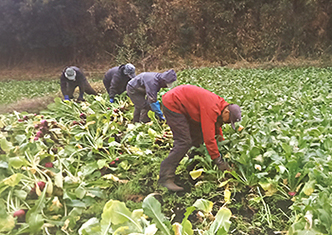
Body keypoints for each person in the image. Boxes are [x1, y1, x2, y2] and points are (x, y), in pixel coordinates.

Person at [159, 85, 242, 191]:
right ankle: (165, 177)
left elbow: (217, 128)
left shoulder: (221, 107)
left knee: (198, 138)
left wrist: (223, 147)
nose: (227, 123)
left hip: (187, 107)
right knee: (184, 142)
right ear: (227, 112)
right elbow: (209, 138)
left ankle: (192, 168)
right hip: (174, 102)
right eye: (228, 121)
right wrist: (218, 161)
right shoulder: (212, 108)